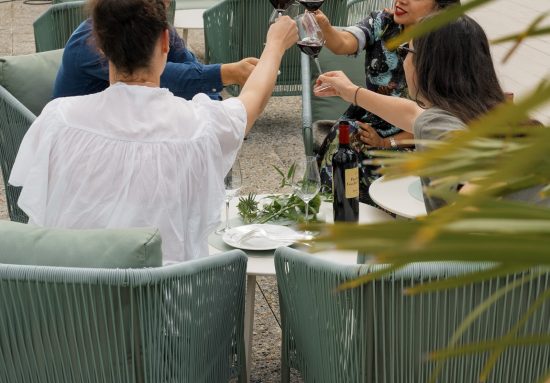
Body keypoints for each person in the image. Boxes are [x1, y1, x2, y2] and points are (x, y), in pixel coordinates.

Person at [9, 0, 298, 263]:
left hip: (67, 310)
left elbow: (35, 214)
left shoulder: (57, 118)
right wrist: (274, 45)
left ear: (99, 44)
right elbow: (253, 101)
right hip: (165, 312)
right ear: (164, 42)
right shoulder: (197, 126)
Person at [314, 14, 506, 212]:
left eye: (406, 50)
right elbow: (412, 114)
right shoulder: (488, 114)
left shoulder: (439, 127)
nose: (403, 59)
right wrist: (350, 91)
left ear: (429, 64)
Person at [313, 0, 460, 205]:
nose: (402, 0)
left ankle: (380, 220)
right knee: (344, 137)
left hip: (417, 138)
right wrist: (325, 27)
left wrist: (387, 143)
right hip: (369, 124)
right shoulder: (384, 22)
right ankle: (332, 210)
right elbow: (342, 43)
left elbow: (437, 120)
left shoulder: (448, 44)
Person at [52, 0, 258, 100]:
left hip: (131, 125)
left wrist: (211, 105)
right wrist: (228, 73)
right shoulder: (99, 36)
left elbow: (189, 67)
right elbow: (150, 77)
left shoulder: (156, 24)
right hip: (90, 140)